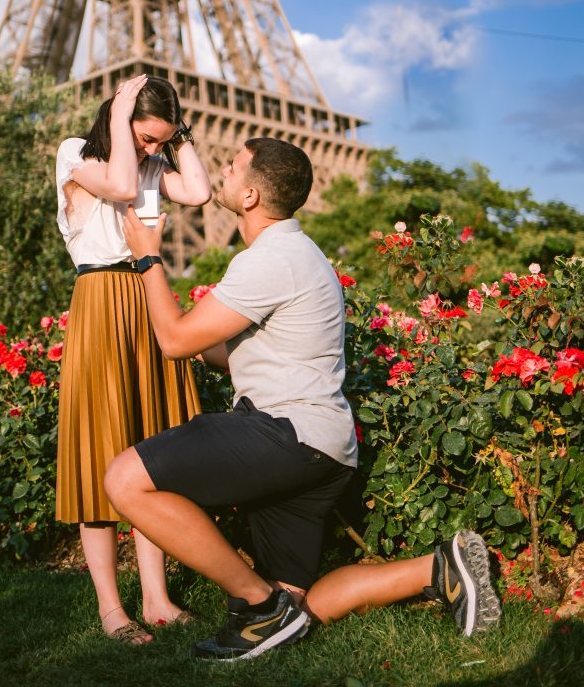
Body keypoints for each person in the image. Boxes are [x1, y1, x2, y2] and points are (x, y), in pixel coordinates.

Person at [105, 135, 501, 660]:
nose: (222, 171)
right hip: (325, 447)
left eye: (231, 166)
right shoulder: (298, 253)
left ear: (249, 196)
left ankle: (256, 606)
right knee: (298, 602)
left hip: (282, 432)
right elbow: (226, 350)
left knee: (125, 479)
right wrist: (198, 340)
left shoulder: (269, 260)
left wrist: (149, 258)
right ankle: (435, 569)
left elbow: (175, 341)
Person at [55, 74, 211, 644]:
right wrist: (124, 119)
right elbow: (119, 183)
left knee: (152, 453)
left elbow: (196, 193)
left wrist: (178, 136)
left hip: (147, 299)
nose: (151, 151)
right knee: (101, 451)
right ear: (119, 119)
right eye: (147, 138)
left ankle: (157, 599)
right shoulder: (76, 154)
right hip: (100, 302)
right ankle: (111, 610)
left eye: (157, 143)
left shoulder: (150, 164)